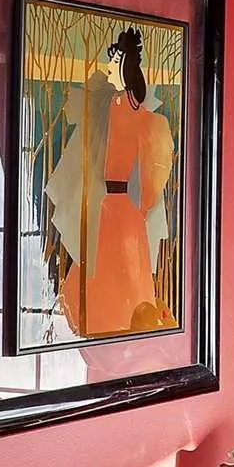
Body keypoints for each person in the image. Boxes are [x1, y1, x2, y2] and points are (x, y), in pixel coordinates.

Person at [61, 25, 178, 336]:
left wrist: (144, 204)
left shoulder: (122, 110)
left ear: (124, 67)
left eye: (113, 64)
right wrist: (143, 205)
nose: (109, 70)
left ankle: (108, 325)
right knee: (111, 270)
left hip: (117, 206)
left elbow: (153, 172)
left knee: (114, 270)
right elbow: (154, 178)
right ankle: (109, 326)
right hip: (120, 207)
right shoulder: (139, 115)